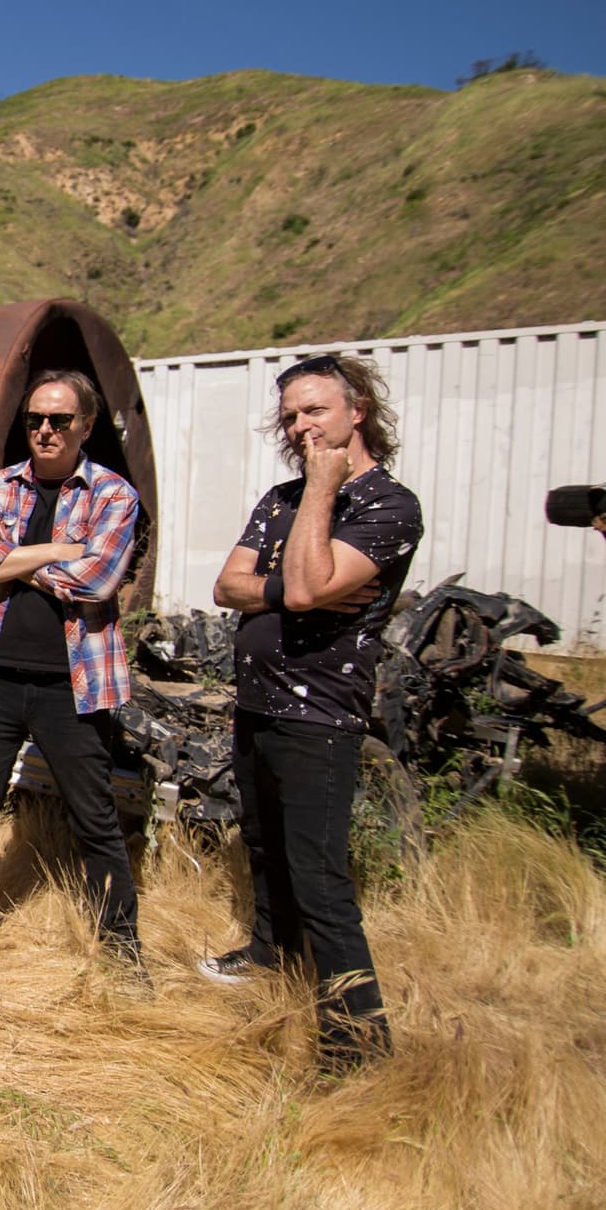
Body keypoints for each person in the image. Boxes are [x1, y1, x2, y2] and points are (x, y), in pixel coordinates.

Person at [204, 352, 422, 1071]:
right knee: (262, 845)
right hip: (257, 700)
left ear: (357, 410)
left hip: (318, 713)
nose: (301, 426)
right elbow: (228, 586)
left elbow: (306, 587)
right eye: (291, 415)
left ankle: (356, 1042)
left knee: (320, 879)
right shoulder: (280, 498)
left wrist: (325, 488)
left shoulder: (389, 506)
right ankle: (272, 953)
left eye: (316, 410)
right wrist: (286, 585)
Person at [0, 369, 144, 967]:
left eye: (60, 419)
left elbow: (97, 580)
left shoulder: (113, 495)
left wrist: (8, 561)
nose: (45, 430)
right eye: (35, 419)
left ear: (87, 425)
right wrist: (56, 552)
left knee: (94, 816)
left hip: (71, 687)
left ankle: (119, 942)